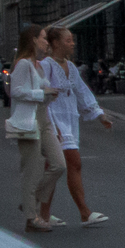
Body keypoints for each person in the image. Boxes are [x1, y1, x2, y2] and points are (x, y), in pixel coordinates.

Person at [41, 26, 114, 226]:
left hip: (69, 119)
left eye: (72, 40)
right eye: (68, 41)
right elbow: (42, 96)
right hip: (54, 120)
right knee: (73, 163)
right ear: (55, 43)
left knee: (53, 168)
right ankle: (84, 212)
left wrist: (99, 114)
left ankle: (42, 213)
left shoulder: (71, 67)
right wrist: (50, 126)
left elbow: (81, 92)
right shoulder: (46, 65)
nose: (72, 44)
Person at [6, 23, 60, 232]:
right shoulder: (22, 65)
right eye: (44, 38)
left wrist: (49, 93)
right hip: (28, 119)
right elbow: (16, 91)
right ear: (33, 40)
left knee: (58, 164)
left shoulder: (37, 65)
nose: (47, 42)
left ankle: (31, 201)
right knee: (33, 169)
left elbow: (40, 89)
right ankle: (31, 217)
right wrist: (41, 94)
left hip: (42, 117)